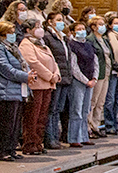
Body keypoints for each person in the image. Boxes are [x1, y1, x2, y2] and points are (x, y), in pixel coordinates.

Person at [0, 20, 37, 161]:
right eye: (10, 33)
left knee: (16, 124)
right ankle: (3, 151)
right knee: (7, 124)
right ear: (2, 35)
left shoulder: (14, 48)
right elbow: (5, 69)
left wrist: (30, 74)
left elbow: (23, 64)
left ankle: (11, 149)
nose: (13, 35)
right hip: (5, 90)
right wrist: (25, 76)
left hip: (18, 90)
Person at [19, 20, 59, 154]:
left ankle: (38, 142)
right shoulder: (26, 44)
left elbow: (53, 60)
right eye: (37, 27)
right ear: (28, 30)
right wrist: (49, 75)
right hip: (36, 84)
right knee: (33, 116)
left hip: (47, 85)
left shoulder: (43, 45)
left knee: (42, 116)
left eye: (41, 26)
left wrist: (56, 74)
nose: (40, 29)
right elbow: (32, 62)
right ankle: (30, 143)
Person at [67, 21, 97, 148]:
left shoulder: (89, 45)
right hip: (78, 81)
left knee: (86, 110)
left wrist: (94, 78)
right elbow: (74, 67)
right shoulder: (72, 45)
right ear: (73, 32)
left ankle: (85, 136)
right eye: (78, 29)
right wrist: (85, 80)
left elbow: (95, 62)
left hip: (90, 80)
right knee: (77, 110)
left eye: (83, 28)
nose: (81, 31)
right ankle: (74, 137)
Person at [44, 11, 71, 149]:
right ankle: (50, 137)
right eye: (58, 19)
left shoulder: (63, 37)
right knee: (52, 109)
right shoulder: (48, 37)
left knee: (59, 109)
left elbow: (67, 58)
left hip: (65, 77)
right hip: (55, 76)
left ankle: (56, 137)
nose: (62, 22)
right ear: (50, 21)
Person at [87, 15, 112, 138]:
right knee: (93, 101)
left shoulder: (105, 40)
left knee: (101, 102)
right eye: (100, 24)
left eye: (103, 24)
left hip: (107, 73)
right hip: (98, 73)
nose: (103, 26)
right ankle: (89, 127)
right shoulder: (90, 39)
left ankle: (96, 126)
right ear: (93, 27)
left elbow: (109, 55)